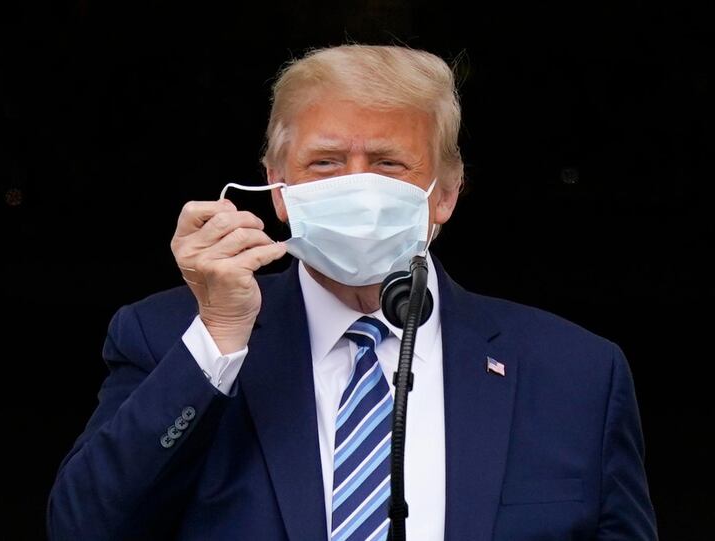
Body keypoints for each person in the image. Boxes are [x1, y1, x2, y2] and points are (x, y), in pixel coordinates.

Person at [47, 45, 657, 540]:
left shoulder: (575, 372)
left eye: (390, 163)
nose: (358, 184)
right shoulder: (171, 338)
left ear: (444, 193)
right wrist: (217, 340)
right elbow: (83, 526)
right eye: (326, 163)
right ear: (278, 189)